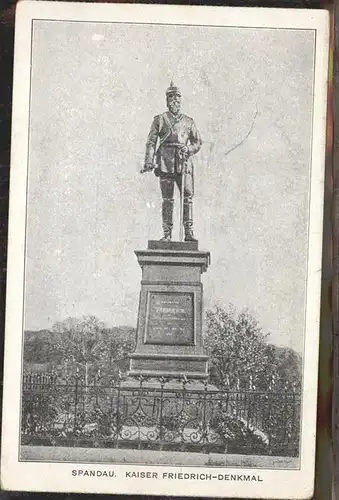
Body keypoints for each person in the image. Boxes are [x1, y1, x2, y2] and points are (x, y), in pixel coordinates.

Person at [141, 82, 202, 242]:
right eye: (171, 97)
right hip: (165, 162)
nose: (174, 100)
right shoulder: (160, 120)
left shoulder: (189, 122)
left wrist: (188, 149)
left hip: (184, 162)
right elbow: (151, 141)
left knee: (187, 197)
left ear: (180, 100)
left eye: (177, 98)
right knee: (167, 199)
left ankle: (188, 232)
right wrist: (148, 161)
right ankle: (167, 233)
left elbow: (197, 142)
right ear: (167, 101)